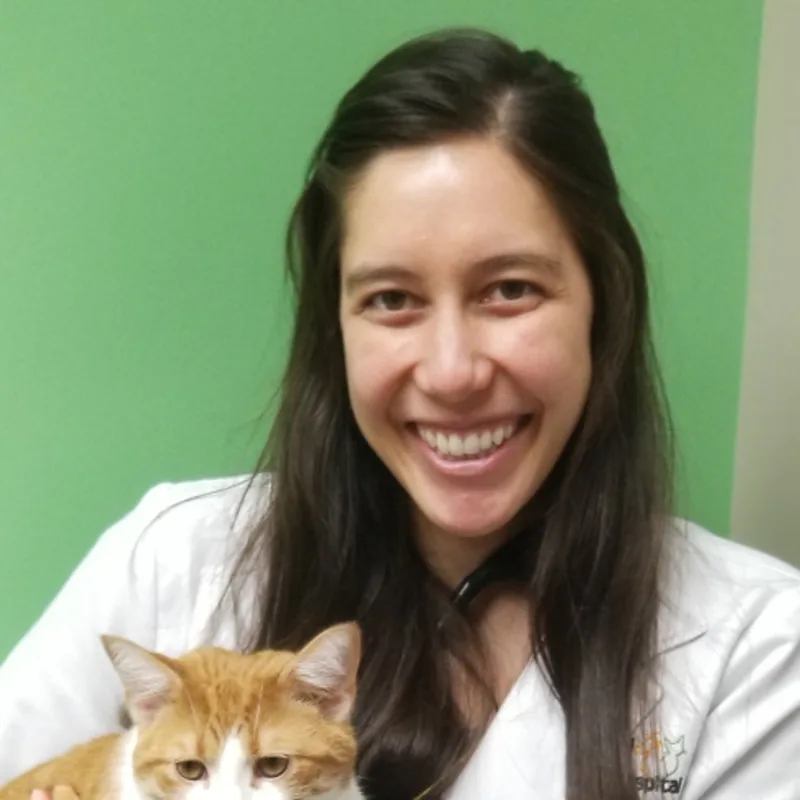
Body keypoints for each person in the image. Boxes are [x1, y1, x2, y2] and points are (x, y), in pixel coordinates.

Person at [0, 28, 798, 800]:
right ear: (334, 329)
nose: (452, 371)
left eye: (510, 288)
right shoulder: (165, 562)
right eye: (391, 299)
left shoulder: (757, 652)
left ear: (603, 304)